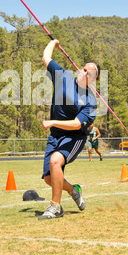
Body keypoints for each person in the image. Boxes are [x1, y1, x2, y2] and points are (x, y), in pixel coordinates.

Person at [39, 38, 99, 220]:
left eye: (90, 72)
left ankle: (55, 207)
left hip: (74, 138)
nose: (85, 72)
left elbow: (76, 124)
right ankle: (74, 190)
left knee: (56, 161)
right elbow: (45, 58)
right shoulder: (63, 77)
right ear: (80, 69)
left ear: (94, 79)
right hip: (55, 136)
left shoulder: (90, 102)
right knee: (49, 179)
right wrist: (54, 43)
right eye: (84, 69)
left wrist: (52, 122)